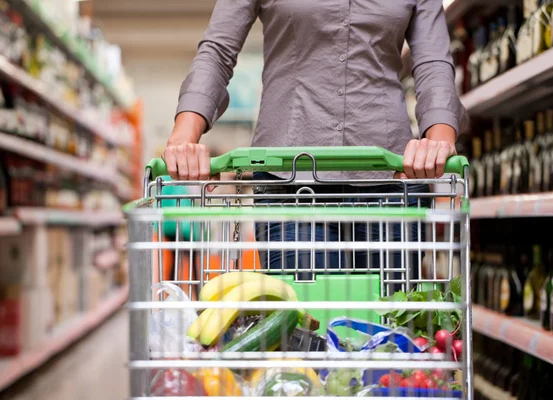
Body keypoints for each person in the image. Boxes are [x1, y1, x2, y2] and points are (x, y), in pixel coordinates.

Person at [162, 0, 468, 274]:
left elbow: (432, 62)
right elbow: (218, 52)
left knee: (388, 325)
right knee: (305, 327)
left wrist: (438, 138)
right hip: (290, 182)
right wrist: (184, 137)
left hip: (391, 180)